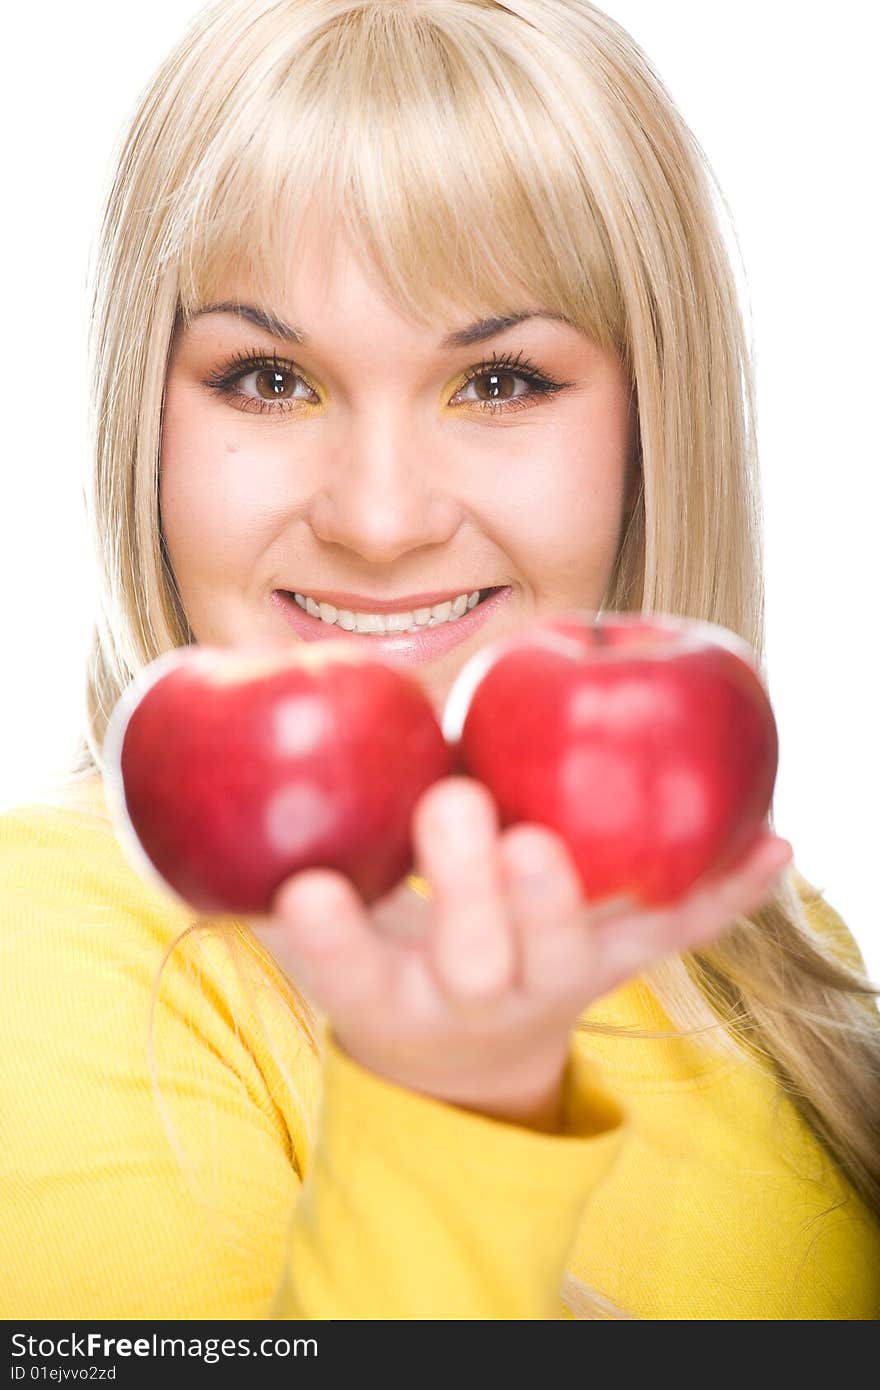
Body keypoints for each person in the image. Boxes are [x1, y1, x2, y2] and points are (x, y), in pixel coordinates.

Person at [1, 0, 878, 1321]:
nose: (380, 515)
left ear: (652, 424)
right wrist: (451, 1102)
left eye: (501, 382)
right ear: (144, 413)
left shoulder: (774, 949)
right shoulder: (51, 949)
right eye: (270, 378)